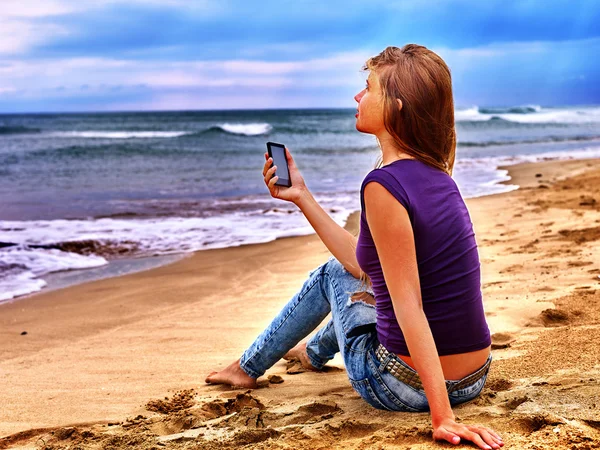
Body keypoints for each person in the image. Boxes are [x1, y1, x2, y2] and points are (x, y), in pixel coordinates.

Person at [205, 44, 504, 450]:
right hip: (473, 378)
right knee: (349, 275)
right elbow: (363, 264)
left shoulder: (383, 186)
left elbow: (408, 305)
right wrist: (302, 195)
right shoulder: (438, 176)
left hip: (403, 386)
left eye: (368, 88)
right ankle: (311, 353)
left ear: (396, 107)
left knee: (332, 274)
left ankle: (247, 366)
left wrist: (443, 418)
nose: (357, 97)